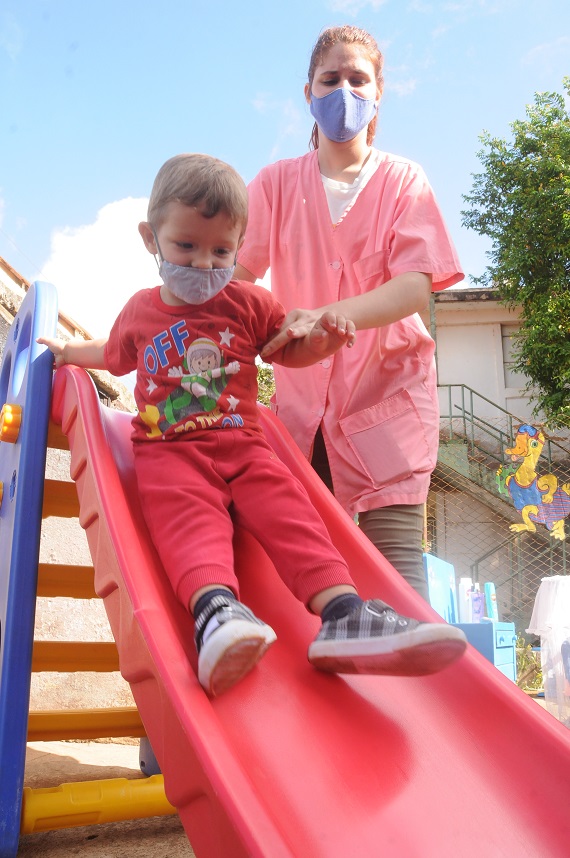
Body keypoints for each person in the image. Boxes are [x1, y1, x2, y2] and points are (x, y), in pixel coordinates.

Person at [38, 153, 466, 697]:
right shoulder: (141, 312)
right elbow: (112, 353)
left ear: (240, 245)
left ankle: (343, 612)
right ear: (152, 238)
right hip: (169, 451)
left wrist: (325, 339)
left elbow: (289, 349)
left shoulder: (247, 302)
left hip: (244, 444)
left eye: (221, 251)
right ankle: (216, 611)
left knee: (293, 513)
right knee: (186, 519)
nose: (201, 264)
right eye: (186, 246)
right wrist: (68, 352)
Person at [236, 25, 464, 602]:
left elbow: (415, 286)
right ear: (307, 92)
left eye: (358, 80)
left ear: (378, 93)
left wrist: (330, 314)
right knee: (303, 566)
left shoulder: (403, 181)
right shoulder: (274, 185)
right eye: (330, 79)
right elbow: (237, 275)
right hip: (302, 409)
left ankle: (424, 688)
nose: (344, 91)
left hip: (387, 400)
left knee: (396, 573)